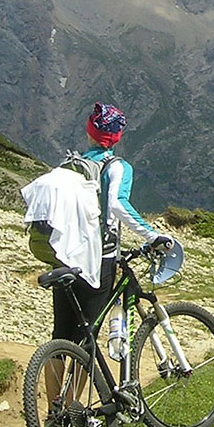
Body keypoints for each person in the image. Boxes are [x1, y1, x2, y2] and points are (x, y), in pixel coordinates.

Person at [51, 101, 174, 345]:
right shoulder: (117, 167)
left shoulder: (70, 164)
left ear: (90, 133)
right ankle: (77, 384)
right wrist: (152, 236)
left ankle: (46, 382)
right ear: (116, 137)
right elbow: (117, 204)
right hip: (99, 259)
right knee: (86, 337)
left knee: (60, 335)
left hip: (64, 253)